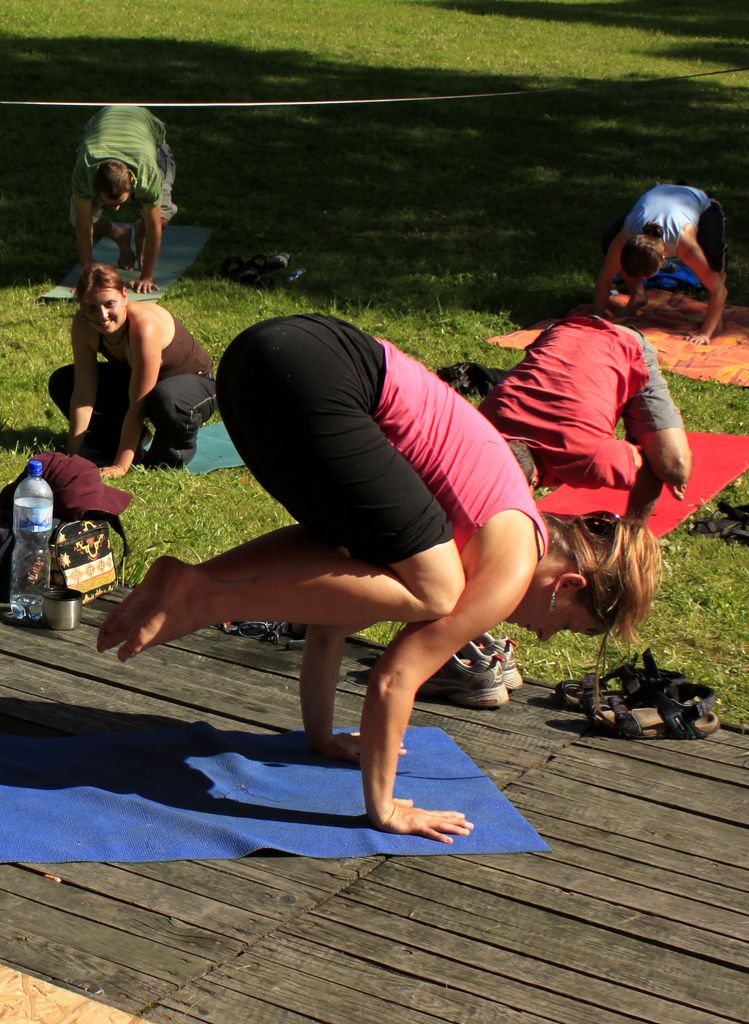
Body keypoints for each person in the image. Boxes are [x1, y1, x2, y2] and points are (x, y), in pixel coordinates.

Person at [97, 314, 662, 843]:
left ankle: (195, 578)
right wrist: (385, 808)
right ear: (569, 585)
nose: (540, 636)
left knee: (375, 564)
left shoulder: (465, 532)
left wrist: (320, 739)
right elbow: (394, 679)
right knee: (436, 591)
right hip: (319, 373)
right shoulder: (514, 561)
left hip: (259, 361)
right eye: (564, 626)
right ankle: (208, 596)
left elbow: (329, 618)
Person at [477, 315, 693, 521]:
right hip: (560, 334)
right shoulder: (480, 433)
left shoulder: (588, 456)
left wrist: (631, 531)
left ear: (534, 481)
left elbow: (648, 472)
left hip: (622, 342)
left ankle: (634, 407)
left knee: (673, 467)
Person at [48, 263, 216, 478]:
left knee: (165, 400)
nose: (102, 315)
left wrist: (120, 466)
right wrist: (70, 455)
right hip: (136, 377)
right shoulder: (83, 324)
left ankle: (170, 454)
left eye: (110, 304)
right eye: (91, 307)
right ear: (81, 305)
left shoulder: (144, 327)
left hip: (192, 386)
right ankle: (130, 440)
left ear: (124, 296)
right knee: (64, 382)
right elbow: (83, 394)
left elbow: (138, 405)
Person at [593, 183, 727, 345]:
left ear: (663, 260)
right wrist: (598, 317)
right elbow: (605, 277)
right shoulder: (626, 236)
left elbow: (719, 290)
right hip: (659, 196)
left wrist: (705, 332)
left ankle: (716, 316)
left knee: (713, 260)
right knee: (609, 243)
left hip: (701, 202)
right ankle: (638, 295)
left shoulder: (685, 244)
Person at [71, 105, 178, 294]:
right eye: (112, 203)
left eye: (121, 202)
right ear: (97, 187)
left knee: (161, 217)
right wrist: (86, 276)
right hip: (100, 122)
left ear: (132, 183)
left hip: (147, 129)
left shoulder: (148, 172)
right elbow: (83, 226)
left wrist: (146, 277)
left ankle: (139, 233)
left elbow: (154, 227)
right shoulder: (85, 170)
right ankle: (120, 235)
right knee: (78, 217)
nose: (118, 209)